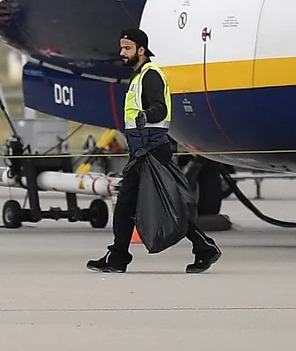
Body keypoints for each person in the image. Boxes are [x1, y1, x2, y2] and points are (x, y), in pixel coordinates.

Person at [87, 28, 222, 274]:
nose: (122, 53)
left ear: (141, 50)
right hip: (141, 150)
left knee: (165, 204)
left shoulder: (150, 75)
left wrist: (145, 116)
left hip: (152, 149)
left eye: (127, 48)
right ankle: (118, 256)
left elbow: (159, 108)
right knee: (130, 204)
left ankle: (204, 248)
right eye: (121, 48)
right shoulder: (138, 77)